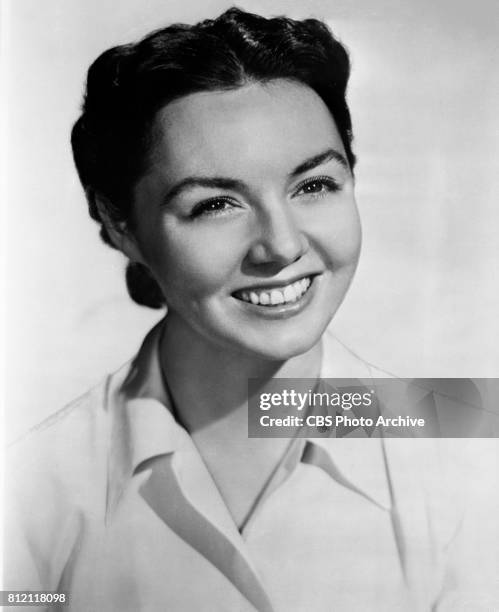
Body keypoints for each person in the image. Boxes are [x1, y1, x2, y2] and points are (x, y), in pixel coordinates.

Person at [4, 7, 498, 611]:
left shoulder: (468, 446)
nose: (283, 245)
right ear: (121, 224)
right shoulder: (29, 490)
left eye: (313, 185)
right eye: (215, 204)